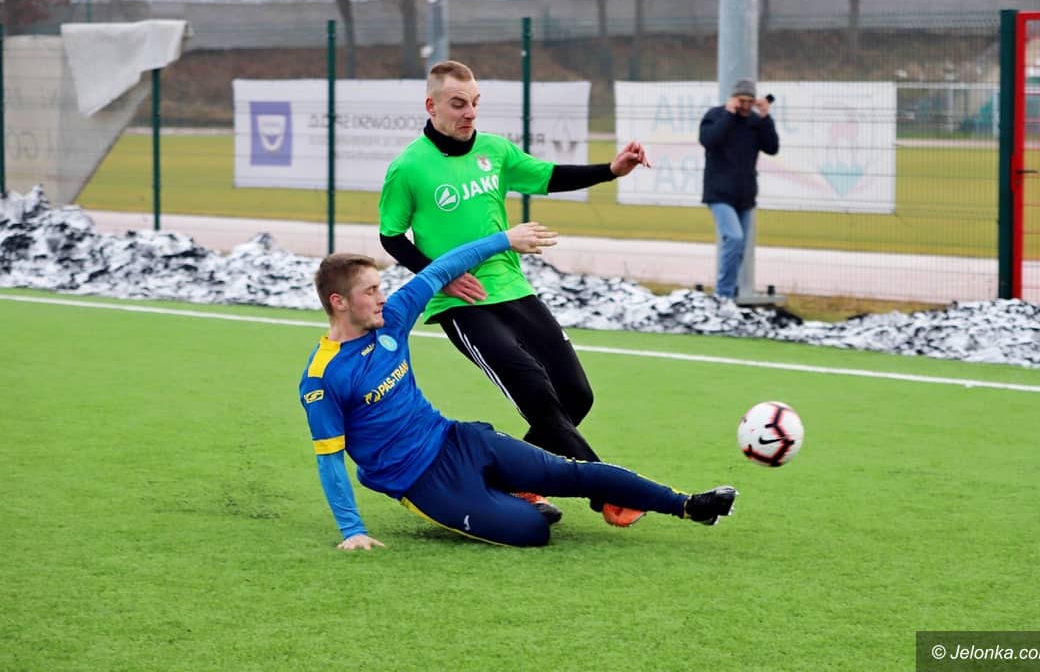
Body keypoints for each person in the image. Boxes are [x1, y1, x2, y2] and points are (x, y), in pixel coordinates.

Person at [298, 222, 740, 549]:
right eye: (370, 291)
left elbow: (444, 267)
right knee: (533, 530)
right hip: (426, 482)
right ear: (339, 302)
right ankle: (503, 492)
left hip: (458, 439)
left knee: (570, 473)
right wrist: (353, 530)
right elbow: (330, 460)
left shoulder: (391, 318)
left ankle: (688, 505)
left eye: (380, 288)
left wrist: (505, 239)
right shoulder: (323, 377)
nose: (382, 297)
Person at [378, 60, 653, 527]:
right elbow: (391, 237)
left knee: (576, 396)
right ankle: (607, 490)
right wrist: (442, 277)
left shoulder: (495, 150)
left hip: (514, 289)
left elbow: (548, 175)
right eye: (458, 104)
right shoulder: (408, 167)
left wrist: (611, 169)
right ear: (432, 106)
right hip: (463, 303)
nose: (469, 113)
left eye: (474, 103)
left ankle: (507, 479)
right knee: (538, 397)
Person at [698, 79, 780, 302]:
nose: (745, 106)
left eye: (749, 102)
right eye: (741, 101)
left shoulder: (755, 122)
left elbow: (772, 147)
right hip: (719, 193)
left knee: (740, 247)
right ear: (733, 99)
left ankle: (730, 291)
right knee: (734, 238)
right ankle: (723, 295)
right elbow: (709, 140)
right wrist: (728, 114)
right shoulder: (716, 116)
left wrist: (765, 117)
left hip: (745, 195)